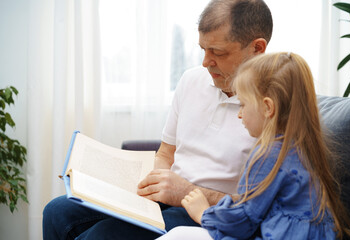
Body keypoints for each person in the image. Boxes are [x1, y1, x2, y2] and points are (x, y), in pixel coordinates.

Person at [42, 0, 273, 239]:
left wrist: (186, 192)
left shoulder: (272, 107)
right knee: (56, 212)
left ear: (257, 48)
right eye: (203, 49)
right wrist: (121, 185)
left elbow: (260, 205)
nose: (205, 62)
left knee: (100, 236)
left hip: (204, 212)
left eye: (218, 52)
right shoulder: (191, 80)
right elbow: (166, 154)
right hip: (164, 198)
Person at [156, 52, 350, 240]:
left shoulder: (267, 154)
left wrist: (203, 213)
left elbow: (245, 219)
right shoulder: (299, 146)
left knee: (179, 234)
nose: (240, 114)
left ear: (268, 107)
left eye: (243, 104)